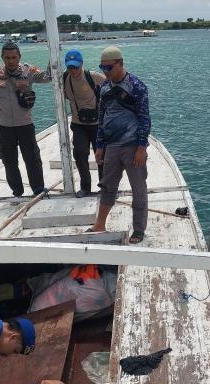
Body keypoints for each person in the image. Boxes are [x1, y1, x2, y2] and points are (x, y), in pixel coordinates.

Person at [87, 46, 151, 244]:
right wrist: (99, 146)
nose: (105, 71)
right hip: (112, 146)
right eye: (102, 68)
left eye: (109, 67)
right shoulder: (105, 88)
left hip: (132, 146)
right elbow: (102, 117)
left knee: (138, 189)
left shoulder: (136, 86)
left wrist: (141, 147)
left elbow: (145, 119)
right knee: (107, 186)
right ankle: (100, 224)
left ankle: (138, 230)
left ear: (120, 63)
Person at [0, 42, 52, 197]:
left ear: (19, 57)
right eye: (7, 58)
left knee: (32, 158)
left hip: (25, 124)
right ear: (2, 58)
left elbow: (48, 77)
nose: (11, 61)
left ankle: (38, 189)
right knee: (9, 161)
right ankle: (17, 191)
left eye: (14, 57)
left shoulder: (29, 71)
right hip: (4, 126)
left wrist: (53, 57)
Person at [63, 49, 106, 198]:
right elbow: (49, 78)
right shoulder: (64, 79)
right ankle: (85, 187)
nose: (73, 70)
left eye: (76, 66)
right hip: (78, 123)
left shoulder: (92, 76)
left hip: (97, 124)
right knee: (80, 153)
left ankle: (105, 186)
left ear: (81, 64)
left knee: (102, 155)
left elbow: (112, 83)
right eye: (70, 67)